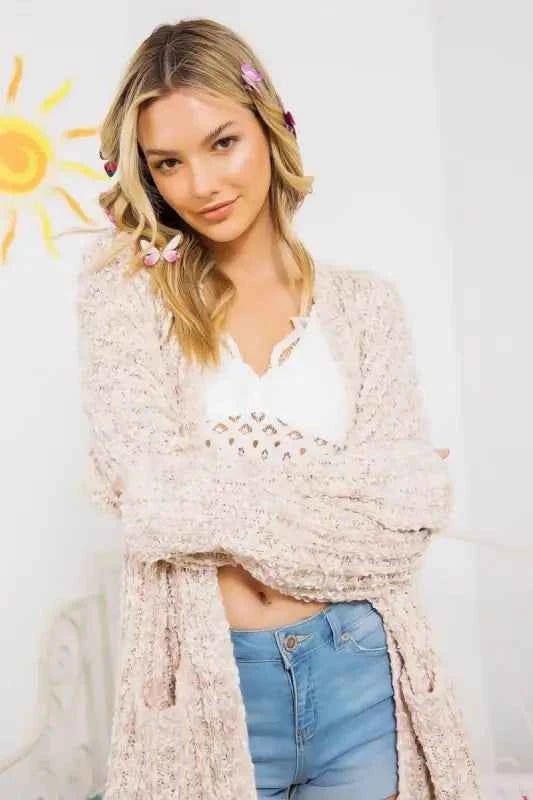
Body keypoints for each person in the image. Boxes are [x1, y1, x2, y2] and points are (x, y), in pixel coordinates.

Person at [76, 17, 479, 800]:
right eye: (168, 162)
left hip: (361, 674)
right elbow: (155, 503)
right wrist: (351, 491)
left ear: (269, 128)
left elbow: (406, 519)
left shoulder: (366, 307)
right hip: (210, 681)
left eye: (222, 143)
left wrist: (212, 498)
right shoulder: (126, 295)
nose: (201, 184)